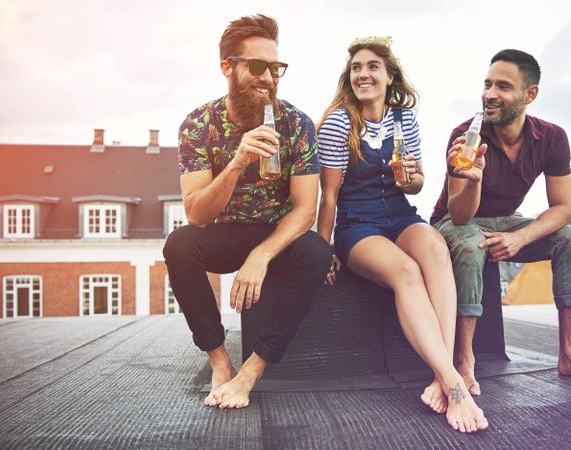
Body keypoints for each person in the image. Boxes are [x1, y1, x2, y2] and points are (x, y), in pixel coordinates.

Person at [317, 36, 488, 433]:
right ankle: (455, 384)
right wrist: (323, 247)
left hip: (398, 215)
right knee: (406, 272)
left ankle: (441, 376)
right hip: (358, 225)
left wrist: (411, 179)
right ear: (349, 77)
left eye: (373, 66)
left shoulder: (404, 119)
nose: (364, 74)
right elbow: (329, 195)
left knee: (435, 246)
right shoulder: (339, 122)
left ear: (389, 76)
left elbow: (416, 185)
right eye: (357, 67)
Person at [163, 14, 331, 410]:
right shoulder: (198, 126)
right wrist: (237, 163)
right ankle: (220, 361)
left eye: (276, 69)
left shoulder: (297, 124)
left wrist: (262, 254)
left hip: (274, 232)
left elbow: (307, 209)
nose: (269, 79)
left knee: (318, 252)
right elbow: (197, 215)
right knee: (179, 245)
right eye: (258, 67)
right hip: (223, 232)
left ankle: (253, 369)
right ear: (228, 67)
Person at [431, 49, 571, 396]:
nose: (490, 94)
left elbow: (563, 207)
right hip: (454, 221)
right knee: (473, 243)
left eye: (503, 86)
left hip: (507, 222)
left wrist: (521, 238)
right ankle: (463, 361)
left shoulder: (552, 137)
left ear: (529, 94)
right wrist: (473, 179)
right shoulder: (465, 134)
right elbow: (460, 216)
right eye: (487, 84)